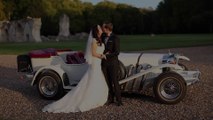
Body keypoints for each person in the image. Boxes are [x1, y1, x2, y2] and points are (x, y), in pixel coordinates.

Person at [42, 25, 108, 113]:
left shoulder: (99, 40)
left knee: (96, 79)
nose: (101, 29)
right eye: (99, 28)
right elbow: (93, 53)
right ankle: (90, 99)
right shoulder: (94, 41)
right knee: (93, 80)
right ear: (97, 31)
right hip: (96, 62)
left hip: (98, 62)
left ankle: (97, 97)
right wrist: (102, 56)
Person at [101, 22, 123, 106]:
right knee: (108, 82)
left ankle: (119, 100)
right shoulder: (102, 36)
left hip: (113, 63)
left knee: (115, 81)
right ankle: (110, 99)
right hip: (104, 63)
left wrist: (107, 55)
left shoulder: (115, 38)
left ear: (107, 28)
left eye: (104, 28)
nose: (103, 29)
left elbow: (117, 52)